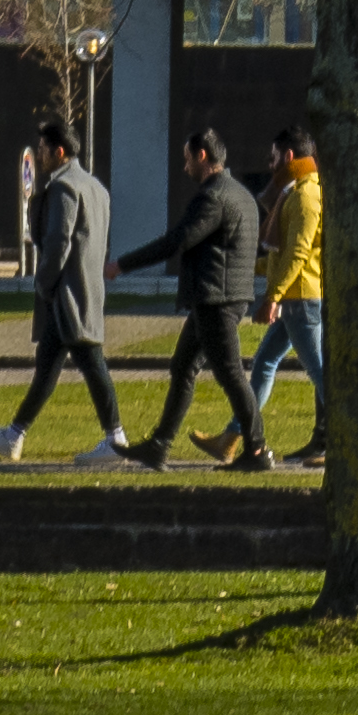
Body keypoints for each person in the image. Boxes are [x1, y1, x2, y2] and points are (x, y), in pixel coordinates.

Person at [0, 122, 135, 462]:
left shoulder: (64, 189)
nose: (40, 153)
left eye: (44, 148)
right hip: (87, 290)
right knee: (48, 367)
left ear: (59, 151)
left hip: (67, 296)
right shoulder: (96, 189)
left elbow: (58, 244)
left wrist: (43, 284)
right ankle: (15, 434)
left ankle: (117, 439)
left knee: (91, 363)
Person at [136, 130, 273, 468]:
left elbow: (178, 240)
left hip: (215, 298)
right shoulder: (242, 195)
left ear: (201, 156)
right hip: (222, 296)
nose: (185, 167)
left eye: (187, 159)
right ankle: (159, 445)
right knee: (183, 367)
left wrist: (122, 265)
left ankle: (257, 450)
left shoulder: (212, 197)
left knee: (230, 374)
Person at [238, 127, 334, 466]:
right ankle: (234, 433)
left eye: (274, 156)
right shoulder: (293, 193)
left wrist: (273, 297)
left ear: (289, 156)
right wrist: (250, 268)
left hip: (301, 299)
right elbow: (282, 254)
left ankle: (341, 443)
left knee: (320, 372)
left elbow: (297, 254)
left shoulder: (306, 195)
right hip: (295, 298)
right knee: (265, 362)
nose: (270, 163)